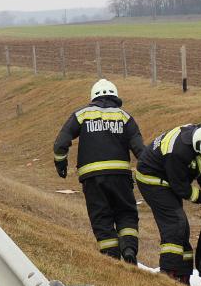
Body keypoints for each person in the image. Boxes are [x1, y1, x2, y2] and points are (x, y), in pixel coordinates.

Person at [53, 79, 145, 263]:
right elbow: (141, 150)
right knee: (126, 212)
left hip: (92, 178)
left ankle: (111, 258)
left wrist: (61, 163)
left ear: (93, 96)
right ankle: (129, 249)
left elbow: (61, 142)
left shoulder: (82, 114)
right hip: (120, 177)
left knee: (101, 216)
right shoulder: (124, 117)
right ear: (115, 95)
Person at [135, 123, 201, 284]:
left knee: (183, 228)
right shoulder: (176, 153)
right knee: (175, 223)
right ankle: (168, 274)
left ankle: (184, 277)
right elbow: (181, 189)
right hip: (152, 180)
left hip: (168, 176)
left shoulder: (200, 134)